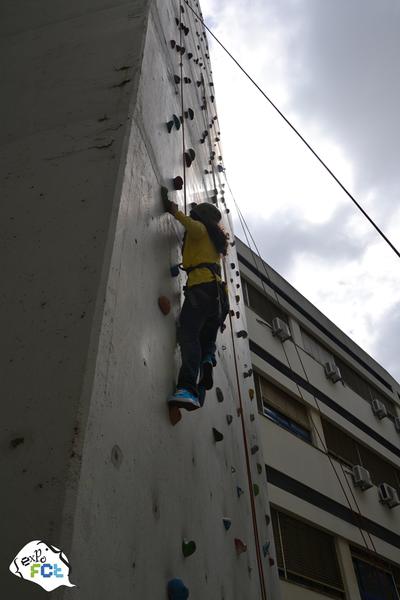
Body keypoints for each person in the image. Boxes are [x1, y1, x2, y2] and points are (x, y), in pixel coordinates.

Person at [162, 190, 229, 411]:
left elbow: (194, 227)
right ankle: (208, 358)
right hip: (219, 298)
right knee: (204, 338)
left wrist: (175, 212)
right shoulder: (215, 243)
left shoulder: (200, 231)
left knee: (188, 336)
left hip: (202, 290)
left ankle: (188, 388)